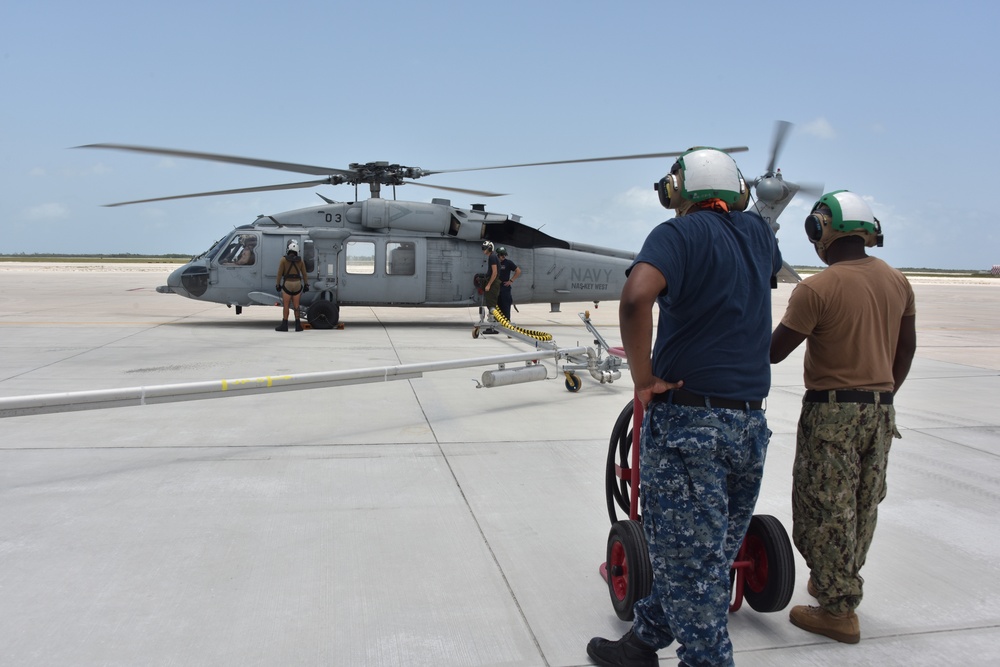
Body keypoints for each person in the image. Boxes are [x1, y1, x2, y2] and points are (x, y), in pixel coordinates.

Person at [588, 147, 782, 667]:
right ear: (736, 190)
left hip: (689, 426)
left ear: (676, 191)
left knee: (688, 564)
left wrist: (643, 377)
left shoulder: (676, 235)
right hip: (749, 423)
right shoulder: (759, 236)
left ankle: (706, 660)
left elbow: (635, 298)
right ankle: (644, 640)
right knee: (708, 556)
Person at [770, 190, 916, 644]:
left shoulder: (818, 287)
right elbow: (906, 346)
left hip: (831, 411)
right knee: (860, 505)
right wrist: (882, 391)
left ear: (820, 230)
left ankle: (838, 612)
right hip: (880, 409)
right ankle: (836, 581)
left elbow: (773, 352)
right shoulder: (898, 281)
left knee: (821, 509)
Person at [274, 240, 309, 332]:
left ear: (288, 250)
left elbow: (279, 273)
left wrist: (277, 284)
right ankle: (298, 325)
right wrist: (306, 284)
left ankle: (284, 325)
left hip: (287, 284)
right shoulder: (300, 260)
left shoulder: (283, 260)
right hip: (297, 284)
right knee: (296, 306)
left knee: (286, 306)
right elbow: (304, 274)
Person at [496, 246, 521, 322]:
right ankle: (496, 324)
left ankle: (507, 323)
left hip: (505, 288)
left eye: (504, 254)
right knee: (497, 307)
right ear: (498, 255)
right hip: (496, 288)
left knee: (505, 306)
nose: (503, 256)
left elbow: (518, 271)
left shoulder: (508, 263)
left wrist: (511, 281)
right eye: (501, 255)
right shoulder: (494, 263)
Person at [481, 240, 500, 333]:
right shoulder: (492, 257)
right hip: (493, 282)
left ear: (489, 248)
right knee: (490, 304)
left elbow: (495, 272)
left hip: (493, 283)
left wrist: (489, 284)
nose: (483, 250)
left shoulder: (492, 257)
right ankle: (492, 326)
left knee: (491, 304)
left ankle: (493, 328)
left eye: (485, 248)